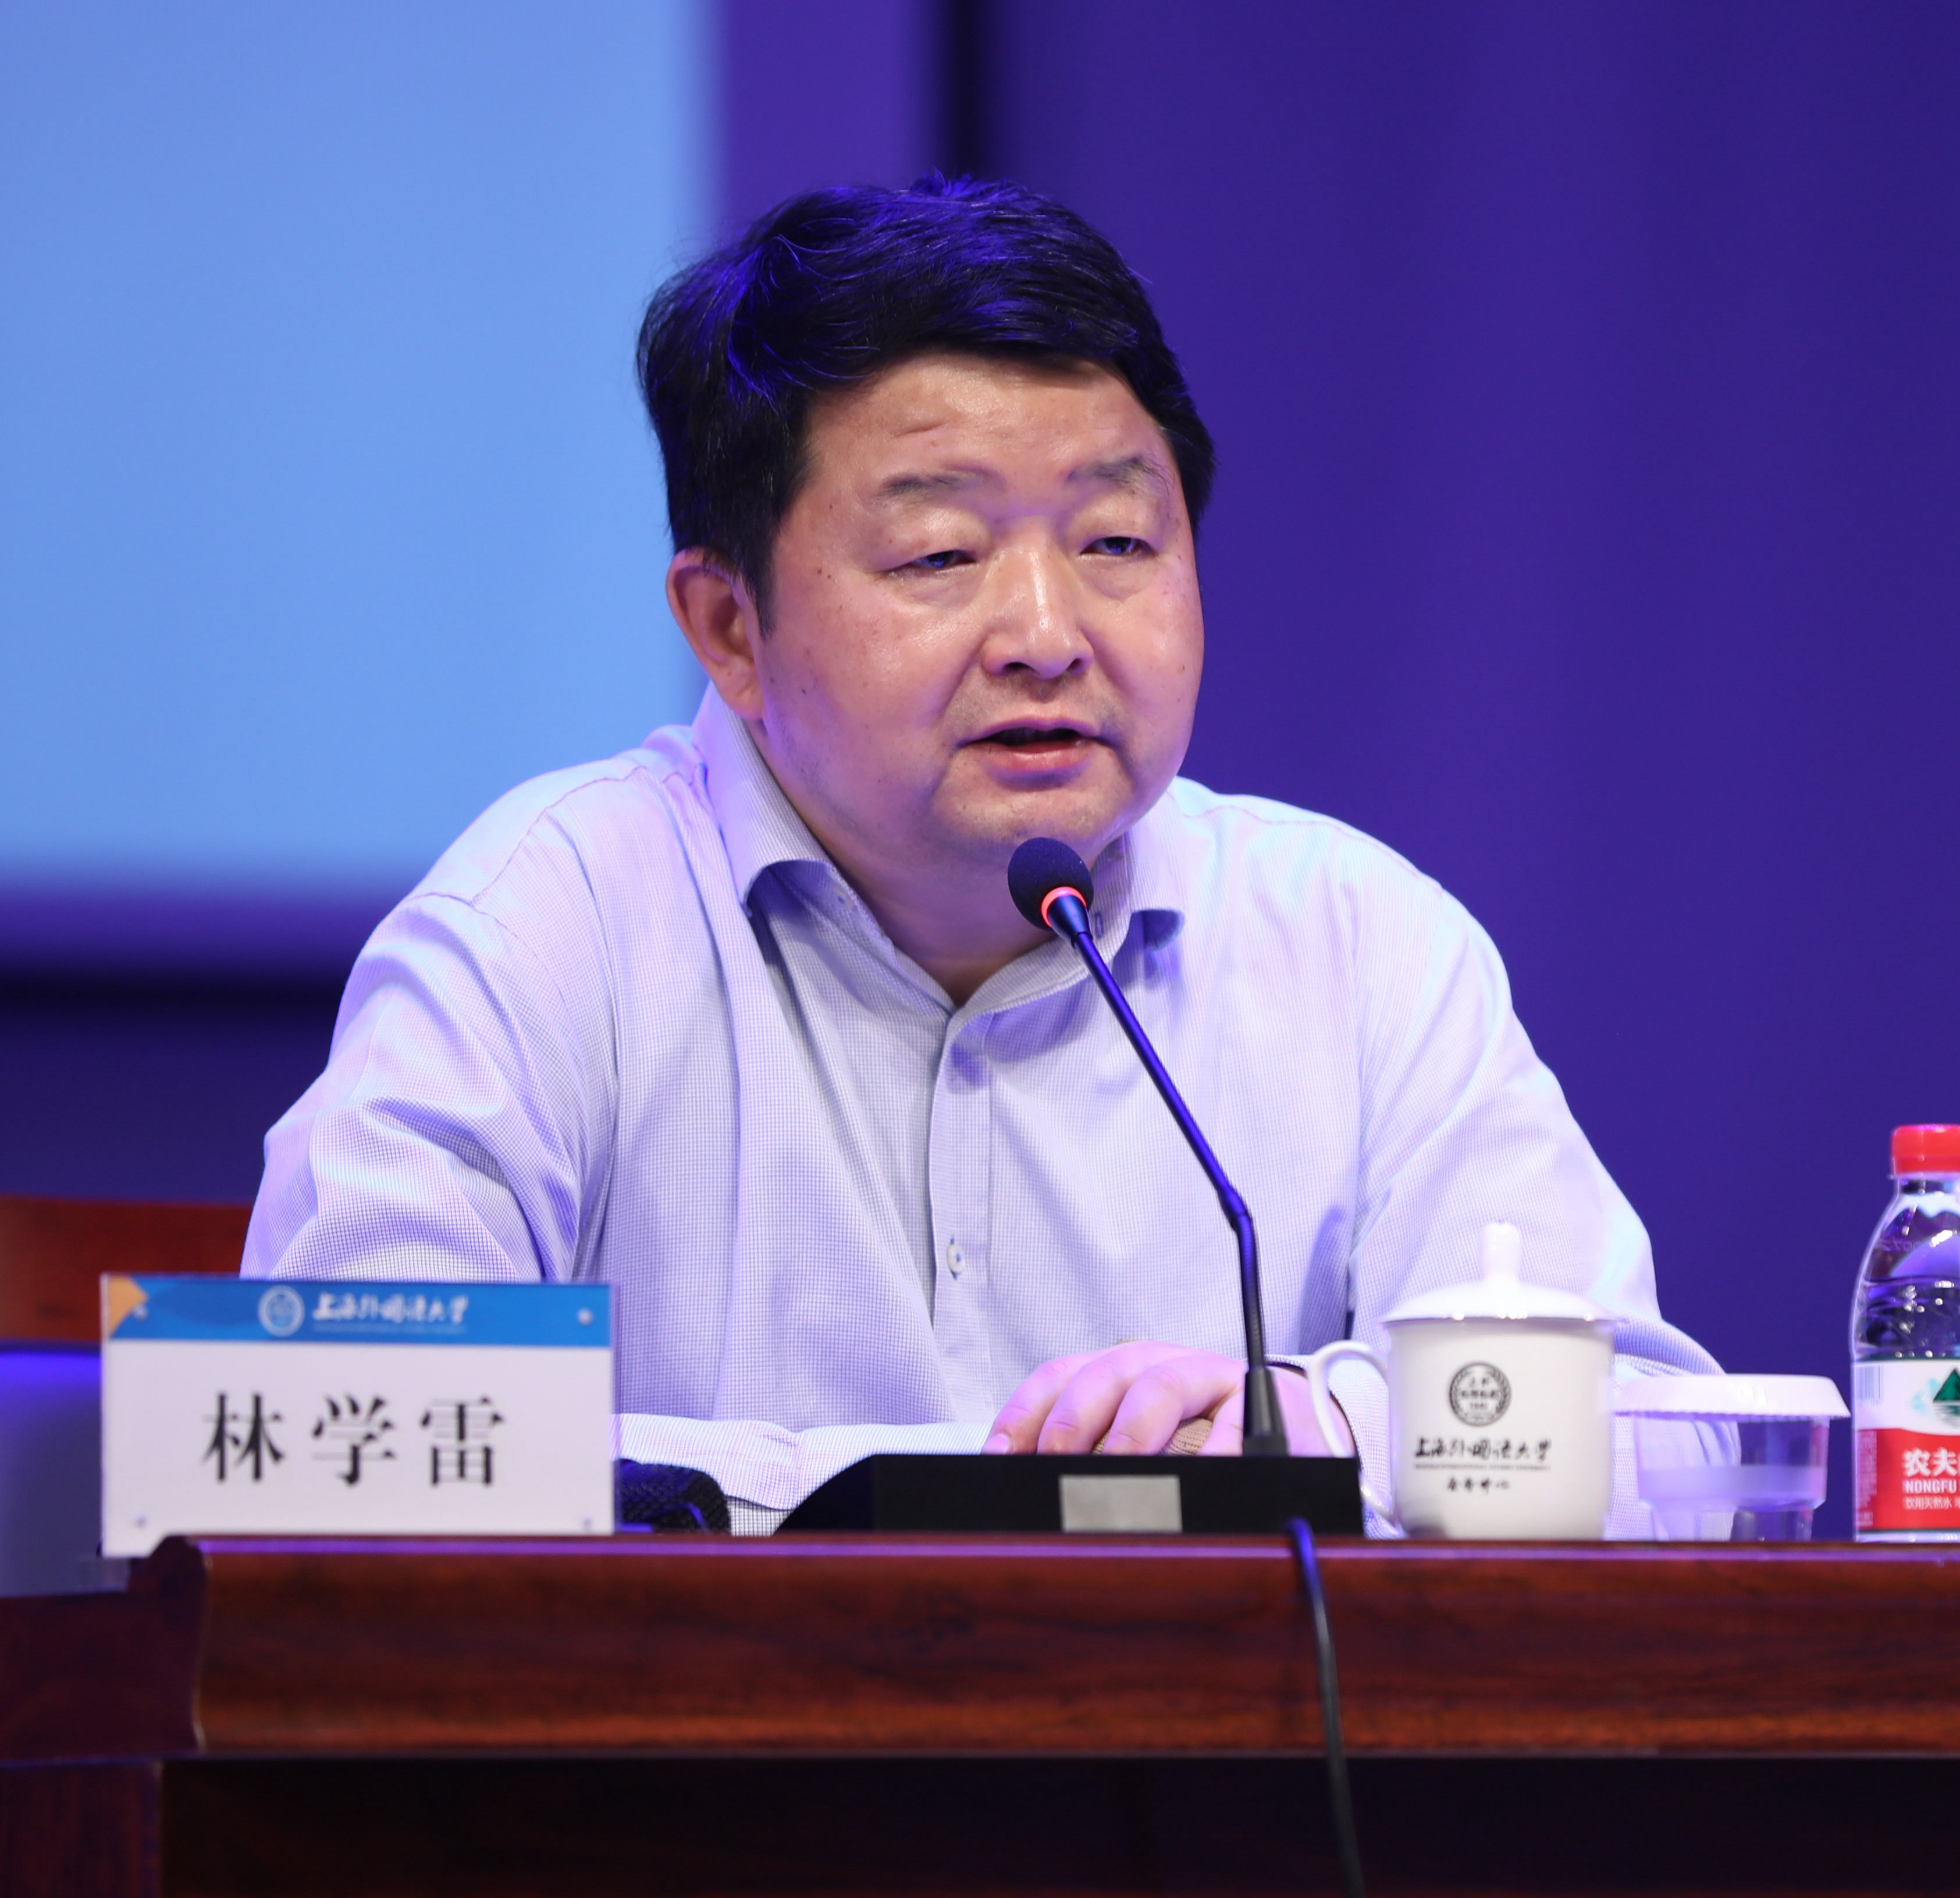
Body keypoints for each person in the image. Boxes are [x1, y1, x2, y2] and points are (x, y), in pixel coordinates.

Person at [244, 178, 1713, 1527]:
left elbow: (1676, 1449)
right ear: (729, 628)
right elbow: (324, 1447)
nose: (1047, 636)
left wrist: (1324, 1430)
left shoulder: (1358, 943)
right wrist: (955, 1503)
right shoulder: (544, 925)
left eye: (1117, 544)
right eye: (942, 557)